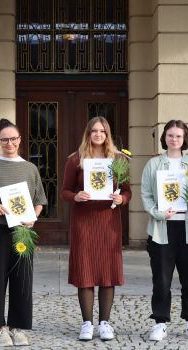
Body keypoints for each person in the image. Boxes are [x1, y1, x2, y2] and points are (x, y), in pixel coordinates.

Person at [0, 118, 47, 347]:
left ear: (19, 140)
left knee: (22, 278)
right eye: (4, 139)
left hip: (22, 231)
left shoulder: (30, 168)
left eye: (13, 139)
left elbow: (40, 200)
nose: (9, 143)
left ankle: (18, 327)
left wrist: (33, 216)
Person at [61, 116, 132, 341]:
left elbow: (127, 191)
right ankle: (87, 323)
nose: (98, 135)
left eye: (102, 131)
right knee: (86, 272)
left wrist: (122, 200)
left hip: (108, 223)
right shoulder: (76, 160)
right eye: (94, 131)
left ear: (107, 134)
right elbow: (64, 191)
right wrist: (76, 196)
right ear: (88, 134)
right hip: (84, 223)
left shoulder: (118, 159)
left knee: (107, 272)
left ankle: (104, 323)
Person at [140, 119, 188, 342]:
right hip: (162, 229)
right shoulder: (154, 165)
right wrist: (158, 213)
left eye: (178, 136)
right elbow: (147, 195)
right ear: (164, 138)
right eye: (170, 135)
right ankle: (160, 322)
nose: (174, 139)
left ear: (185, 139)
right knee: (161, 279)